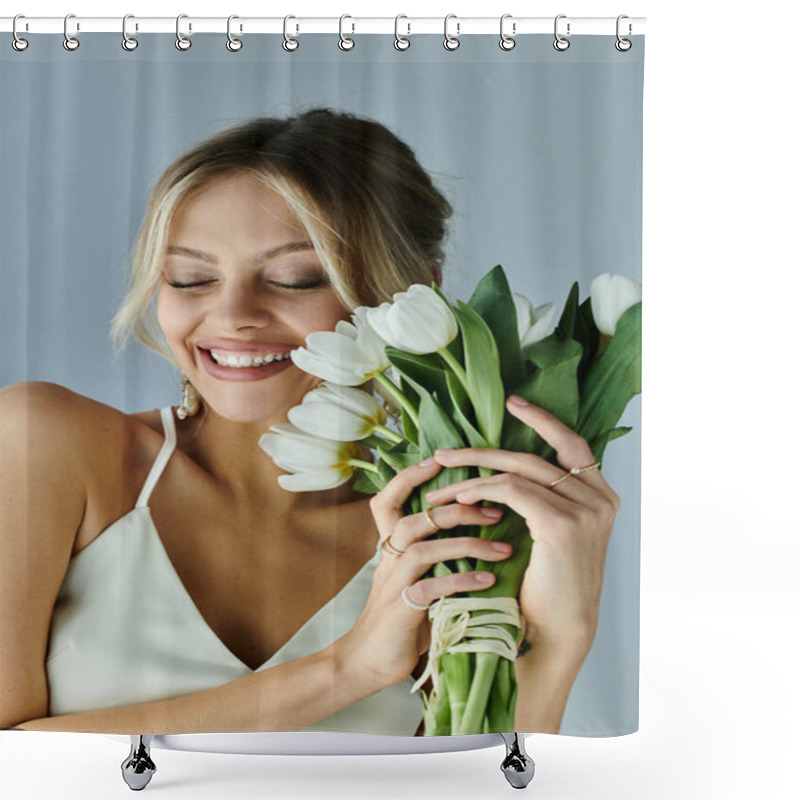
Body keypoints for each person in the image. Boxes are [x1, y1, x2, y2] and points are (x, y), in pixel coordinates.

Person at [0, 108, 621, 736]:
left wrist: (562, 637)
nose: (234, 314)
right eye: (191, 277)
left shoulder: (453, 526)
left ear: (415, 289)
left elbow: (485, 781)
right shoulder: (45, 444)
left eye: (295, 278)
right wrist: (346, 668)